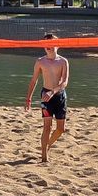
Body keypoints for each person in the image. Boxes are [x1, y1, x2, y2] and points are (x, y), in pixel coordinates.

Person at [24, 33, 70, 162]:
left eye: (50, 43)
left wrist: (53, 92)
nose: (47, 46)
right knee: (47, 126)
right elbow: (34, 80)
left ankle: (47, 145)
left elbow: (64, 82)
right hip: (45, 95)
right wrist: (28, 99)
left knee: (61, 129)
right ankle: (44, 158)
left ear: (57, 45)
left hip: (59, 95)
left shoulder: (63, 61)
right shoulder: (40, 61)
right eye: (45, 44)